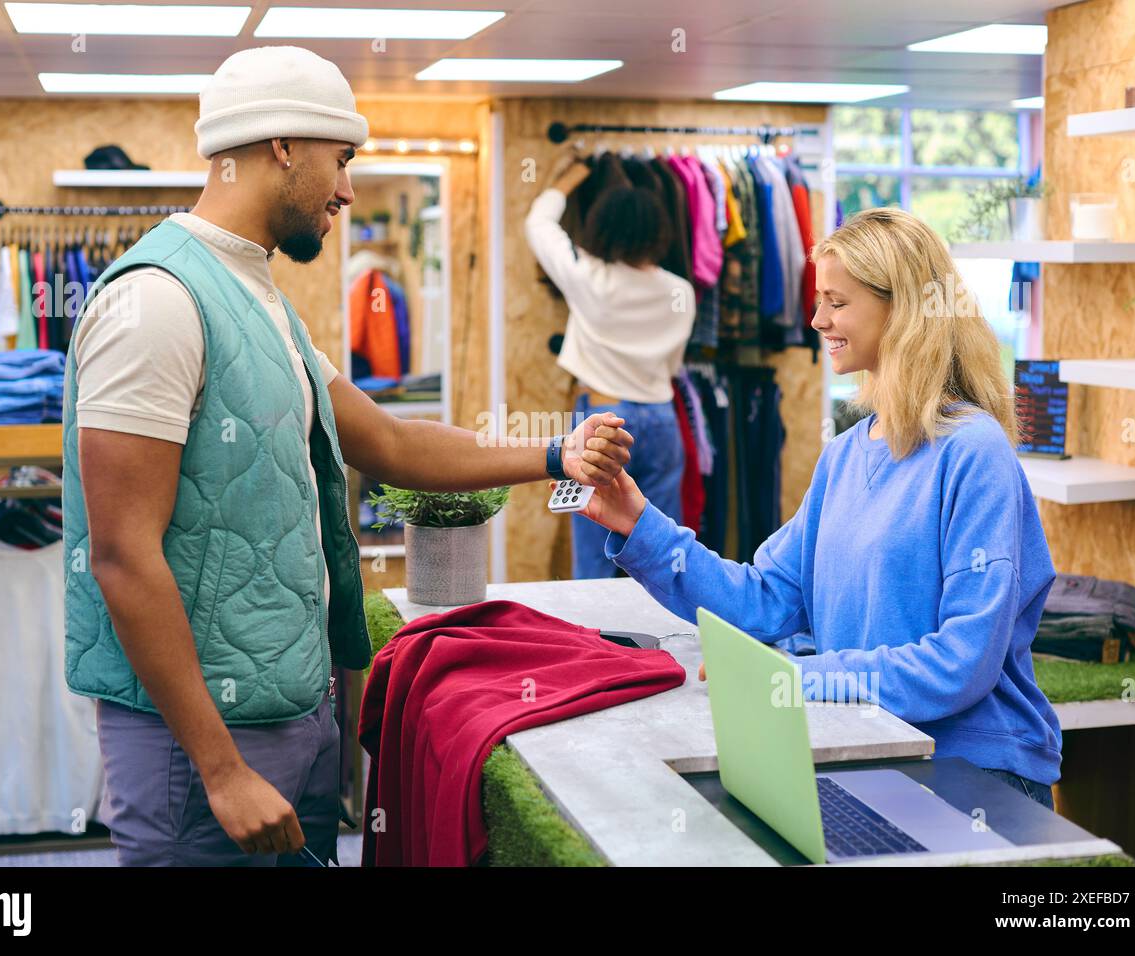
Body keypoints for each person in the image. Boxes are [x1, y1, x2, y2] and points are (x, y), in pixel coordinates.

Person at [64, 46, 634, 866]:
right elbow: (121, 554)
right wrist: (222, 771)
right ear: (284, 145)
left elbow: (394, 441)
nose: (347, 190)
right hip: (203, 749)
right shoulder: (155, 302)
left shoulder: (259, 299)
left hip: (286, 717)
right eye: (343, 159)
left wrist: (554, 453)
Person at [573, 207, 1063, 808]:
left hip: (973, 769)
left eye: (836, 301)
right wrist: (641, 526)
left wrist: (795, 678)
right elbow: (767, 600)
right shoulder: (846, 455)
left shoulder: (974, 453)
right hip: (868, 745)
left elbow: (961, 663)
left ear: (902, 309)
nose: (817, 319)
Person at [525, 153, 696, 580]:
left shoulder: (590, 278)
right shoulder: (681, 292)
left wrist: (564, 183)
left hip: (600, 423)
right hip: (660, 420)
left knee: (593, 548)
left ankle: (595, 640)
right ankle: (665, 641)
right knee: (660, 545)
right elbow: (673, 365)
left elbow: (539, 226)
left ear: (600, 228)